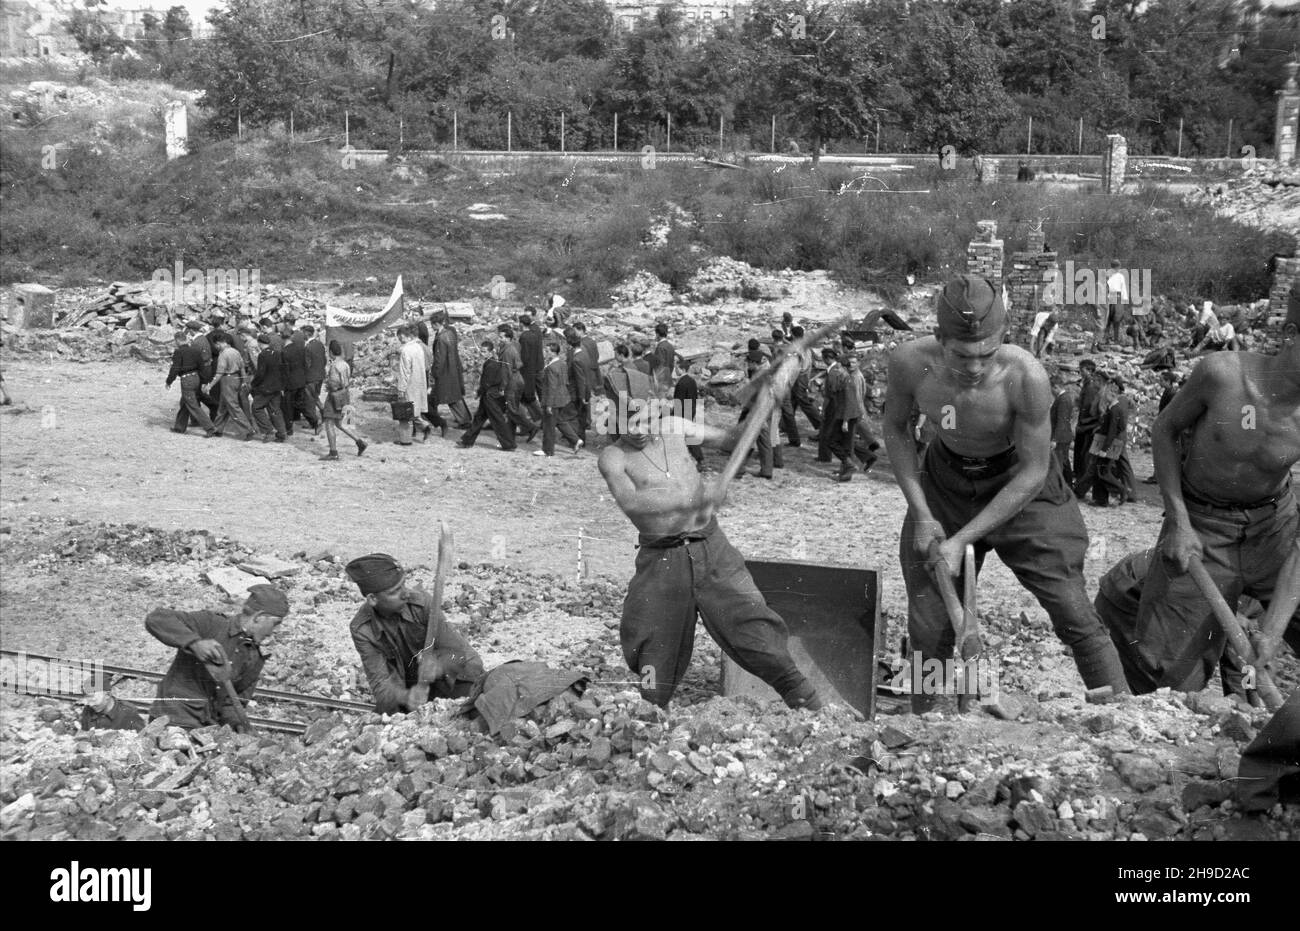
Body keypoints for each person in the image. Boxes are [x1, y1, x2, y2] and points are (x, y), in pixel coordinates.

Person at [882, 275, 1129, 711]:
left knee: (1072, 609)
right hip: (946, 483)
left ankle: (1123, 715)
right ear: (939, 338)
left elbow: (1034, 470)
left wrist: (961, 540)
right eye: (961, 354)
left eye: (987, 353)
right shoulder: (909, 362)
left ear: (1004, 338)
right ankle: (925, 718)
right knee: (928, 620)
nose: (975, 367)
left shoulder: (1025, 375)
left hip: (1022, 488)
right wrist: (922, 512)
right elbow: (895, 428)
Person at [1099, 281, 1300, 696]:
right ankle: (1132, 583)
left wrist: (1274, 630)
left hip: (1274, 528)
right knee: (1166, 677)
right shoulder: (1223, 375)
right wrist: (1177, 521)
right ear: (1292, 338)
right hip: (1202, 522)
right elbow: (1165, 429)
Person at [597, 394, 823, 710]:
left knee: (754, 625)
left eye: (646, 420)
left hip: (712, 548)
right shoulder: (614, 457)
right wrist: (694, 502)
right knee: (651, 640)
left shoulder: (675, 427)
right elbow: (632, 503)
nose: (639, 429)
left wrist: (757, 409)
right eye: (630, 423)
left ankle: (810, 705)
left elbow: (729, 440)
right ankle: (649, 713)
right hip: (663, 559)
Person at [346, 554, 485, 713]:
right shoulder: (363, 630)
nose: (405, 594)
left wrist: (438, 666)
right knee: (388, 710)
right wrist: (407, 696)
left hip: (446, 682)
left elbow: (460, 655)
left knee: (472, 702)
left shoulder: (422, 603)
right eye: (395, 591)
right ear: (372, 599)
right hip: (412, 690)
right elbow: (381, 684)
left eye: (403, 585)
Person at [144, 584, 290, 729]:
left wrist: (236, 724)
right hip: (173, 719)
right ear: (259, 617)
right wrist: (194, 643)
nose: (274, 631)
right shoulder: (212, 624)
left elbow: (233, 701)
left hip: (206, 727)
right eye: (275, 624)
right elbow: (156, 618)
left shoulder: (254, 656)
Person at [458, 339, 517, 451]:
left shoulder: (491, 364)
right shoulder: (493, 362)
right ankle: (467, 440)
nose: (482, 354)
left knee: (496, 420)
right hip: (489, 396)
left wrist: (478, 392)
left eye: (485, 351)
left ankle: (509, 444)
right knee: (479, 419)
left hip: (490, 397)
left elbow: (487, 383)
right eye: (481, 351)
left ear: (491, 352)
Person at [320, 339, 368, 459]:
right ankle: (359, 442)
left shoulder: (334, 366)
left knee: (329, 423)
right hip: (345, 394)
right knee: (340, 423)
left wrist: (328, 384)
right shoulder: (345, 364)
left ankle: (333, 452)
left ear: (330, 352)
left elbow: (334, 383)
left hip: (335, 396)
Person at [535, 340, 583, 457]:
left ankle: (548, 450)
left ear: (553, 353)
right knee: (560, 421)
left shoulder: (551, 368)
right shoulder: (562, 363)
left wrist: (549, 404)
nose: (545, 353)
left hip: (553, 400)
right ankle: (576, 440)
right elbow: (565, 381)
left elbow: (551, 387)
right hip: (563, 398)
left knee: (549, 425)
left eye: (547, 351)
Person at [166, 327, 216, 437]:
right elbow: (201, 366)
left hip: (186, 379)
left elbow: (175, 368)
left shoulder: (179, 352)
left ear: (178, 340)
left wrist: (169, 381)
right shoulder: (195, 350)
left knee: (192, 405)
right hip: (196, 378)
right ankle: (179, 427)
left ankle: (210, 427)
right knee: (185, 403)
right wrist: (203, 381)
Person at [207, 332, 256, 440]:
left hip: (227, 380)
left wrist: (210, 386)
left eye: (216, 345)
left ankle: (248, 430)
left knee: (233, 407)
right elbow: (242, 367)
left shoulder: (223, 354)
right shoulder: (235, 351)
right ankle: (217, 429)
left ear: (219, 343)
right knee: (223, 406)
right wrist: (243, 381)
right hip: (236, 379)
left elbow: (219, 373)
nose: (216, 347)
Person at [430, 312, 472, 428]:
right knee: (454, 395)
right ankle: (464, 419)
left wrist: (435, 372)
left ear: (437, 324)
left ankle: (464, 420)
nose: (431, 326)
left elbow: (440, 358)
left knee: (450, 397)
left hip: (445, 372)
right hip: (453, 369)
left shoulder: (441, 338)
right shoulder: (450, 334)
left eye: (432, 324)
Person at [830, 352, 866, 482]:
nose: (836, 370)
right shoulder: (844, 378)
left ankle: (848, 469)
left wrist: (845, 421)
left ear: (844, 368)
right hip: (843, 414)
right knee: (839, 443)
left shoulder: (850, 381)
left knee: (841, 444)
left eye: (838, 368)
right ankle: (847, 467)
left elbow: (851, 402)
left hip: (849, 416)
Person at [786, 325, 822, 446]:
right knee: (792, 401)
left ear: (794, 335)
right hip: (803, 376)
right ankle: (786, 426)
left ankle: (821, 425)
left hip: (799, 377)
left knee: (803, 402)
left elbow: (802, 365)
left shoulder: (799, 347)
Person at [280, 326, 320, 436]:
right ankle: (314, 421)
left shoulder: (284, 352)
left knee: (287, 406)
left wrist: (282, 386)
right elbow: (305, 364)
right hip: (301, 380)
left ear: (282, 338)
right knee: (301, 404)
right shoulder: (300, 348)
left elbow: (285, 371)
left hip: (290, 383)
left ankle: (289, 429)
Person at [249, 332, 287, 443]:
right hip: (276, 386)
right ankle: (282, 432)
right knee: (275, 410)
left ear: (260, 343)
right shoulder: (276, 353)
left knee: (256, 408)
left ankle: (268, 431)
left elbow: (261, 373)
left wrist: (254, 384)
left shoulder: (263, 355)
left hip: (266, 387)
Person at [396, 324, 431, 444]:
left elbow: (404, 372)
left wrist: (401, 388)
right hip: (420, 382)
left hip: (410, 384)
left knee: (405, 414)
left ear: (402, 336)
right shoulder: (418, 347)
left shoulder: (406, 351)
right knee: (414, 410)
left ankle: (405, 440)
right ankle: (425, 426)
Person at [1143, 370, 1180, 483]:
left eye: (1161, 380)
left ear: (1168, 381)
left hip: (1166, 427)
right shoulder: (1169, 392)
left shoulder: (1171, 393)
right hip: (1165, 425)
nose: (1159, 382)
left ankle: (1158, 476)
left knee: (1162, 452)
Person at [1072, 359, 1101, 488]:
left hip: (1086, 425)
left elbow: (1087, 408)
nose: (1080, 372)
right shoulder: (1087, 384)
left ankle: (1080, 478)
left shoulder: (1091, 386)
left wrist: (1082, 424)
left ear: (1089, 370)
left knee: (1083, 453)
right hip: (1084, 423)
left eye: (1082, 369)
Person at [77, 676, 144, 732]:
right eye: (88, 700)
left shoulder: (128, 713)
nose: (91, 705)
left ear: (108, 695)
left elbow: (143, 740)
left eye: (94, 699)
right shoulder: (88, 711)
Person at [565, 326, 593, 441]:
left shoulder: (576, 359)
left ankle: (575, 439)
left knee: (567, 417)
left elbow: (579, 379)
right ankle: (581, 438)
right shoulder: (584, 354)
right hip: (586, 389)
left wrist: (581, 396)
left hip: (576, 392)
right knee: (581, 417)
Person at [1048, 371, 1076, 486]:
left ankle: (1059, 487)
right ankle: (1068, 485)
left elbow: (1062, 421)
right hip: (1064, 436)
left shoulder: (1063, 399)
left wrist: (1055, 439)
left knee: (1058, 464)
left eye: (1051, 389)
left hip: (1061, 437)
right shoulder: (1065, 398)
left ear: (1056, 387)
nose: (1051, 392)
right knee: (1065, 463)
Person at [518, 311, 545, 422]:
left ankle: (533, 418)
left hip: (527, 369)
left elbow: (524, 355)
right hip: (535, 366)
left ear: (521, 324)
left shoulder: (524, 337)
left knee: (526, 395)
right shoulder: (534, 334)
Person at [1103, 259, 1129, 347]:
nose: (1117, 268)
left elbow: (1123, 288)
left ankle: (1116, 339)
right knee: (1108, 319)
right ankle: (1105, 339)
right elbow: (1104, 287)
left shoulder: (1120, 276)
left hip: (1117, 298)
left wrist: (1124, 299)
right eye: (1116, 267)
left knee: (1117, 320)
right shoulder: (1107, 274)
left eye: (1117, 267)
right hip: (1109, 297)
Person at [650, 322, 675, 396]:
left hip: (662, 379)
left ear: (657, 334)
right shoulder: (670, 346)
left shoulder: (660, 347)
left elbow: (660, 365)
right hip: (669, 375)